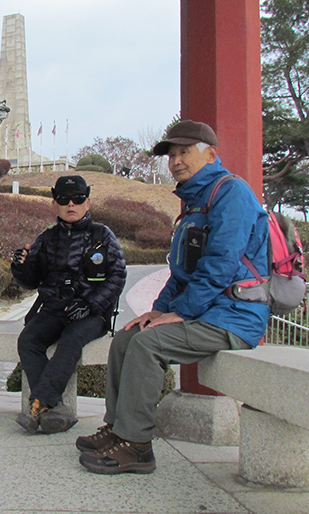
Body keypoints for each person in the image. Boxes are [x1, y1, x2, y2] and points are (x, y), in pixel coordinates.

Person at [76, 120, 271, 474]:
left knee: (147, 345)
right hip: (207, 313)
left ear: (210, 155)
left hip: (234, 315)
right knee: (128, 337)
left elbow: (221, 264)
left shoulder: (232, 194)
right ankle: (118, 429)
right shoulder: (194, 204)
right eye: (171, 155)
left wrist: (181, 312)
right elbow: (180, 272)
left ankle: (136, 446)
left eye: (184, 152)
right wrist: (158, 311)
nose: (176, 161)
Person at [11, 175, 126, 434]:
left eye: (77, 199)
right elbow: (31, 281)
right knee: (28, 340)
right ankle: (56, 409)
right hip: (54, 309)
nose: (71, 204)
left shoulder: (102, 235)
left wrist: (90, 304)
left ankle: (39, 404)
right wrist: (19, 266)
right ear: (55, 202)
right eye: (64, 199)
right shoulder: (47, 238)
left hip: (91, 313)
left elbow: (118, 276)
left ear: (87, 202)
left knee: (71, 340)